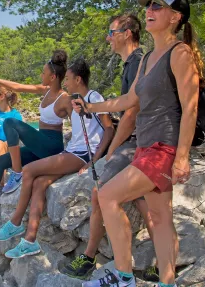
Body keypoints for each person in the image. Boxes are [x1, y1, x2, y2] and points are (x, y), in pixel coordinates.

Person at [74, 0, 201, 287]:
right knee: (159, 218)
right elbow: (128, 101)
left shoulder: (180, 53)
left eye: (158, 7)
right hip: (146, 146)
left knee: (107, 195)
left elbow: (191, 107)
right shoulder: (147, 59)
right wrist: (90, 106)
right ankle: (167, 282)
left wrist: (182, 157)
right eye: (149, 6)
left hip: (163, 148)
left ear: (175, 17)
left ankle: (123, 276)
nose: (150, 11)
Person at [62, 14, 158, 282]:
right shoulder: (131, 63)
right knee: (142, 201)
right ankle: (159, 262)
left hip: (139, 142)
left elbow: (130, 114)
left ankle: (107, 265)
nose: (107, 37)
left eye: (111, 31)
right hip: (142, 142)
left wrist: (112, 152)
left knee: (102, 195)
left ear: (127, 33)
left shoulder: (137, 62)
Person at [0, 58, 115, 258]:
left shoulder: (94, 96)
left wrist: (95, 160)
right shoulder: (74, 100)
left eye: (68, 79)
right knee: (39, 183)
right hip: (71, 151)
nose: (65, 82)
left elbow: (108, 129)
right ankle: (30, 241)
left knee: (29, 170)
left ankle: (14, 223)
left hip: (83, 154)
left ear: (78, 79)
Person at [0, 50, 70, 228]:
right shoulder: (45, 90)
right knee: (0, 161)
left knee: (11, 123)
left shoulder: (64, 98)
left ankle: (17, 173)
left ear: (53, 76)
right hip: (39, 146)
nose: (41, 75)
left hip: (51, 146)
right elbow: (16, 86)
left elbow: (82, 123)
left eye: (44, 73)